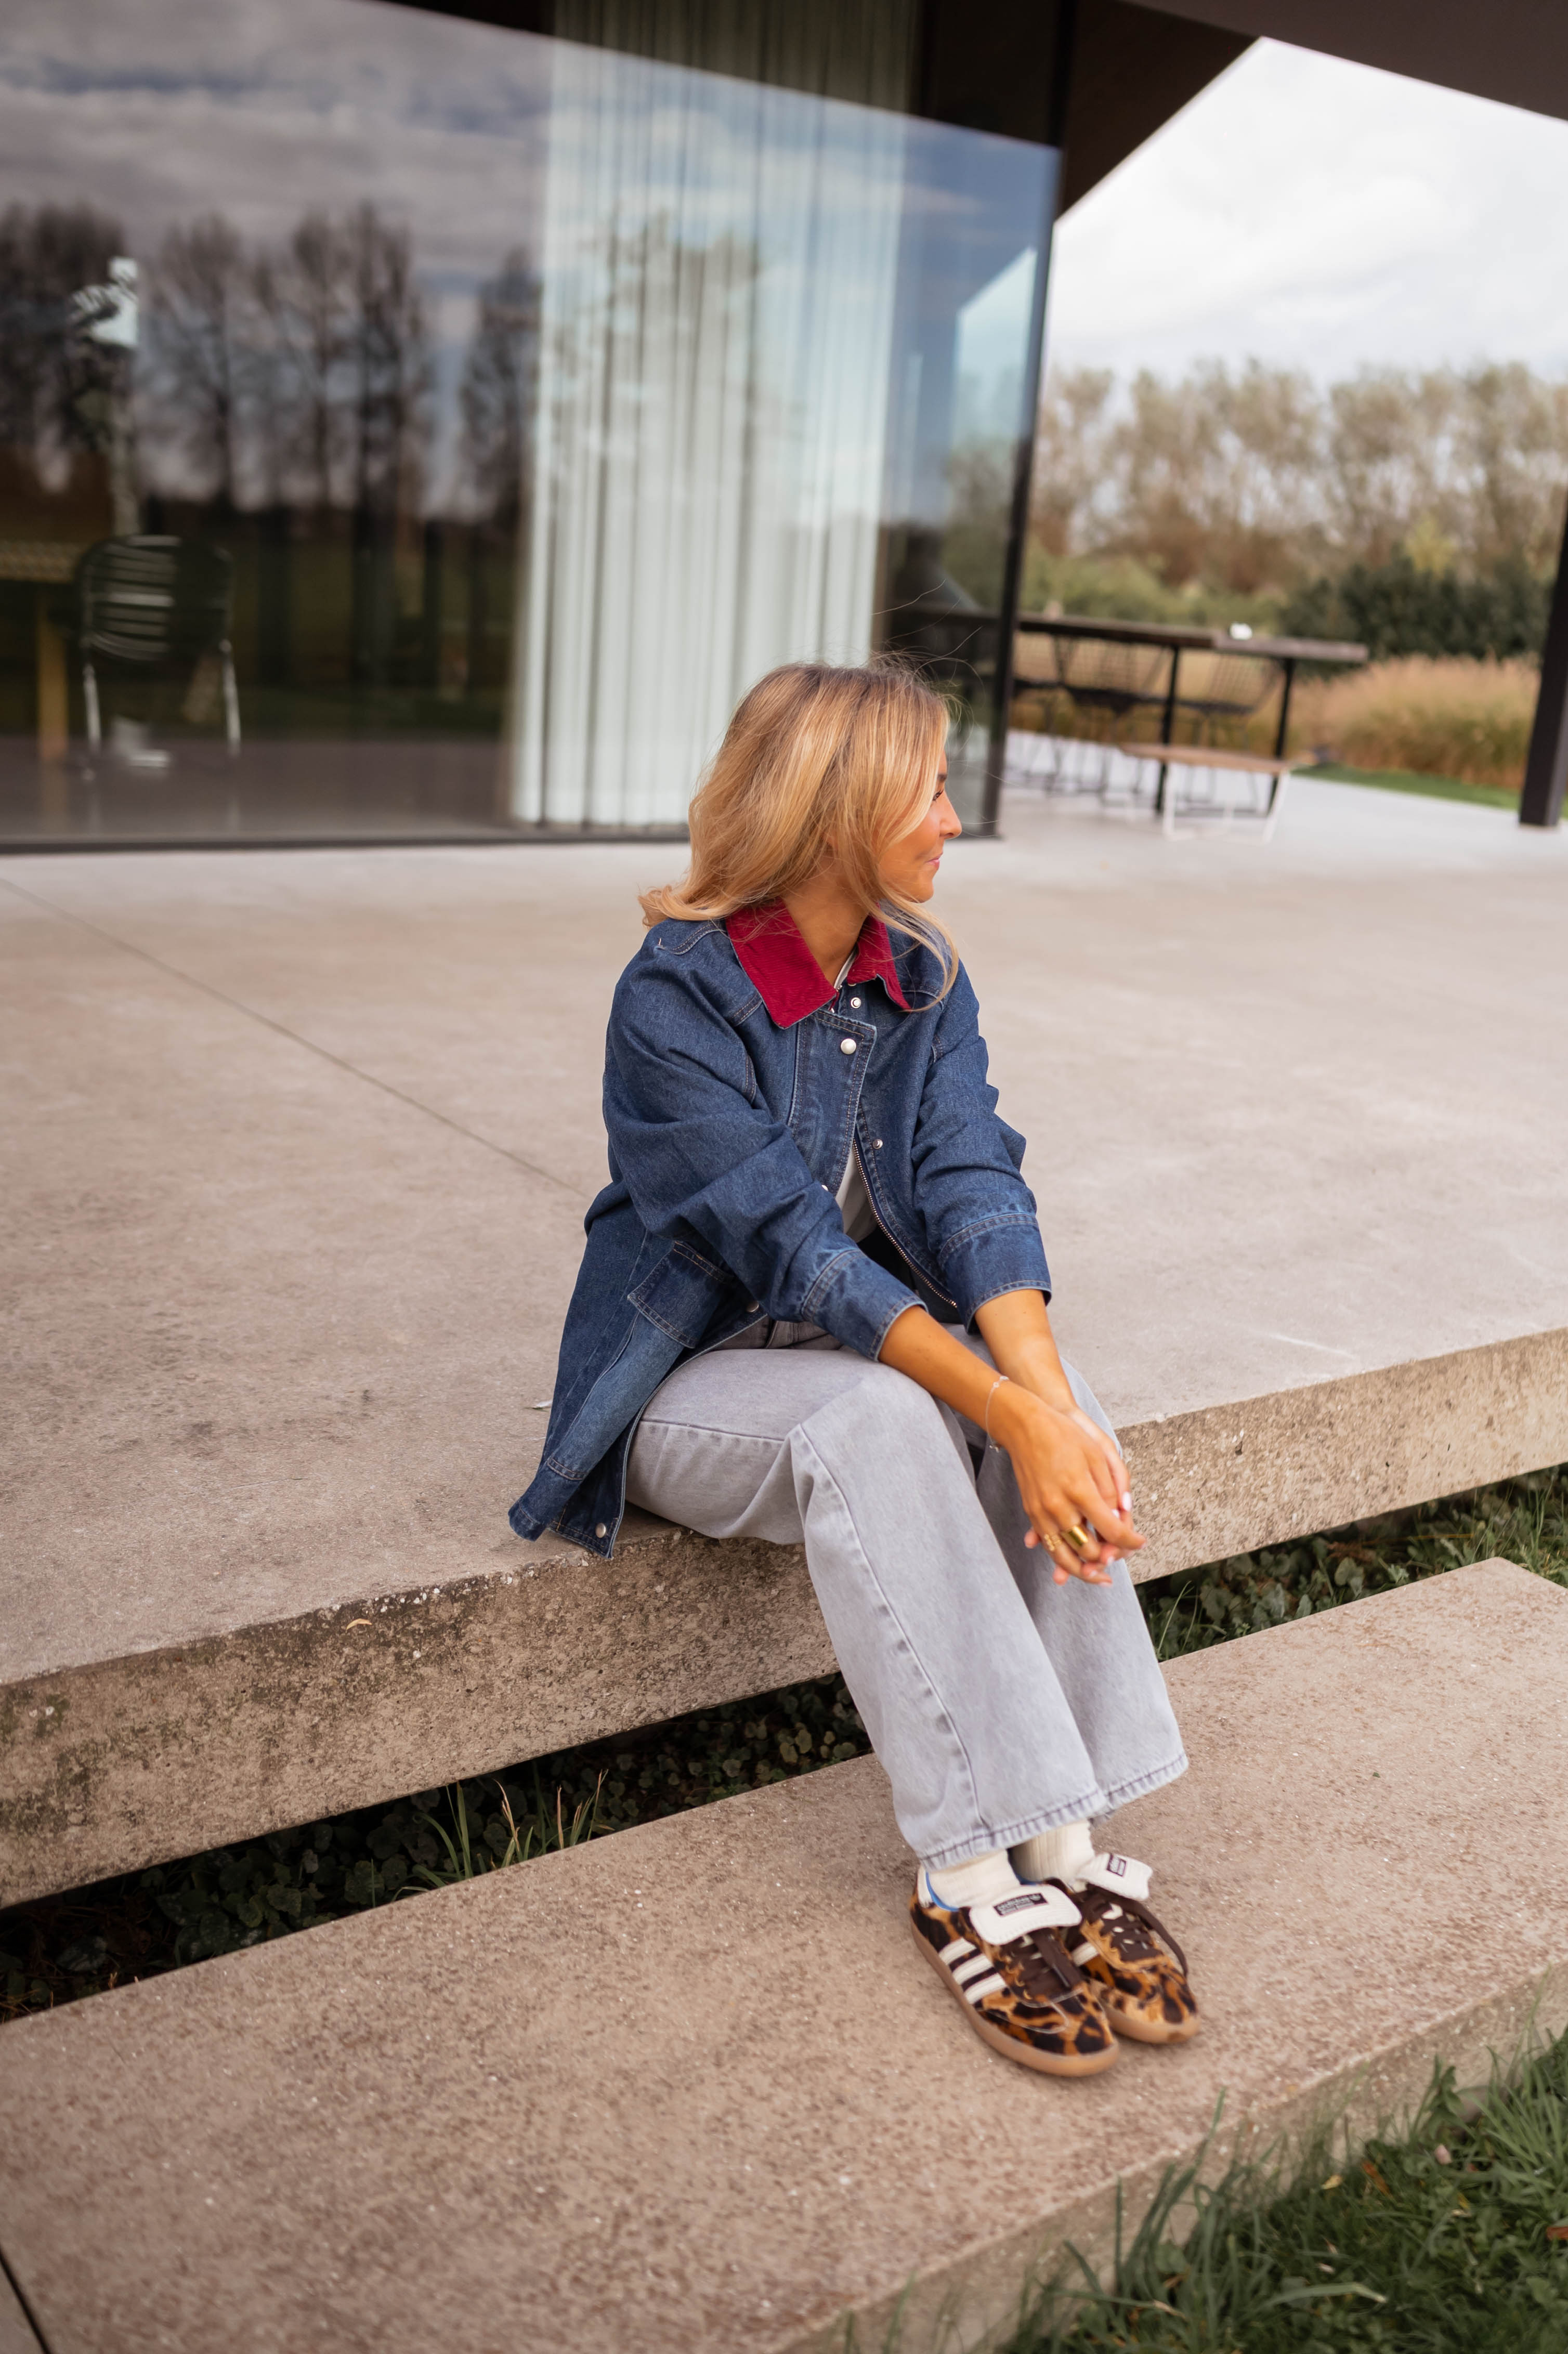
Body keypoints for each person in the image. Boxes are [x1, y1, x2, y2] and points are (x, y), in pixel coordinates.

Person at [512, 659, 1197, 2077]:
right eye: (930, 791)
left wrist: (1047, 1413)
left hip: (852, 1364)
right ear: (838, 816)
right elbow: (792, 1254)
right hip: (687, 1388)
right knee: (894, 1413)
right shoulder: (677, 1000)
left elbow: (971, 1186)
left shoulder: (922, 979)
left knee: (1047, 1416)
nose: (953, 821)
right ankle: (968, 1876)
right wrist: (999, 1403)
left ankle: (1063, 1847)